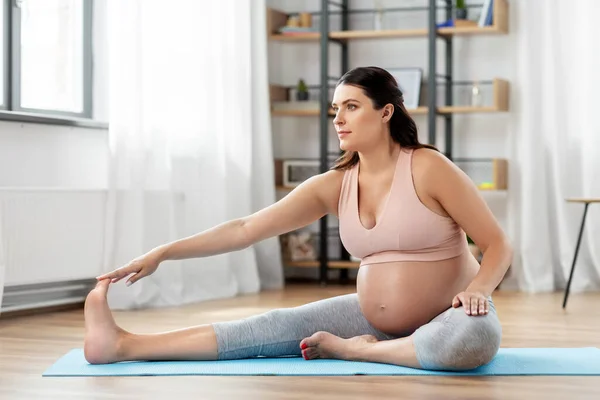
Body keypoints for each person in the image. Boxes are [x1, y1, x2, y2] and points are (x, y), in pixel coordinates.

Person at [86, 66, 512, 371]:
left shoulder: (428, 167)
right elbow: (245, 229)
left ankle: (355, 352)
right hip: (371, 319)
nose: (338, 119)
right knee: (271, 327)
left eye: (351, 106)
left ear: (386, 112)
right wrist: (163, 252)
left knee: (470, 340)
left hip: (450, 313)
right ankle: (123, 345)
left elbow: (497, 245)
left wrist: (477, 291)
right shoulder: (335, 183)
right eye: (335, 109)